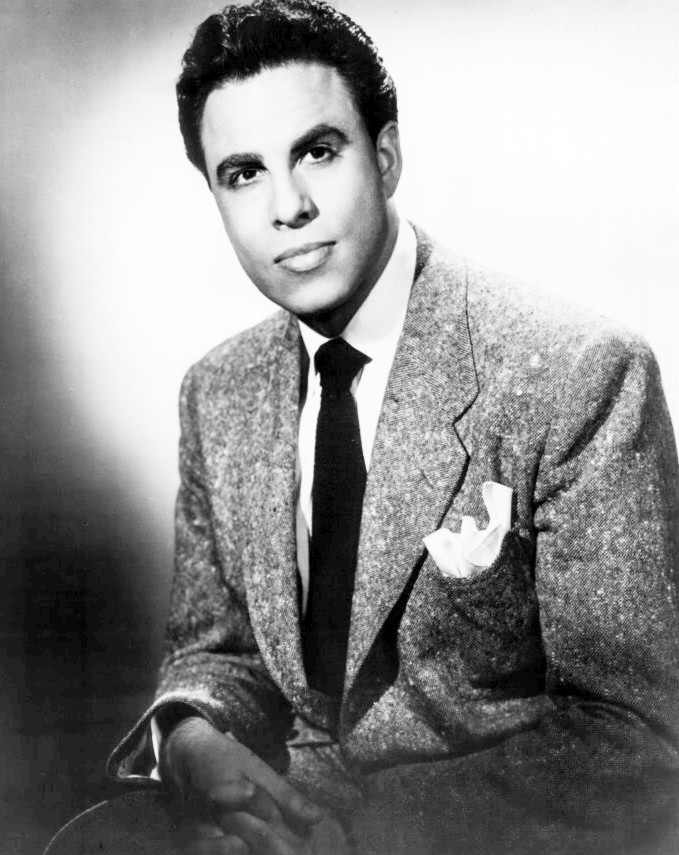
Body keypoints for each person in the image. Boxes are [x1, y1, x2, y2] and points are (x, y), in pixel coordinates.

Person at [49, 1, 679, 853]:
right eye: (244, 173)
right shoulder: (217, 391)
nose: (288, 206)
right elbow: (218, 651)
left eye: (317, 151)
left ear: (385, 157)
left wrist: (361, 833)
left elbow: (637, 740)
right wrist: (190, 735)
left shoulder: (578, 372)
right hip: (277, 821)